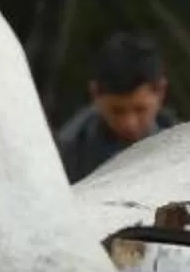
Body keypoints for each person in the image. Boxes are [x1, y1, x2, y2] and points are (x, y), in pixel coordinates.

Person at [54, 30, 179, 181]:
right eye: (117, 111)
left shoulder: (185, 146)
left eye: (140, 110)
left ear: (161, 91)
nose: (129, 123)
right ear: (95, 94)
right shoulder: (63, 157)